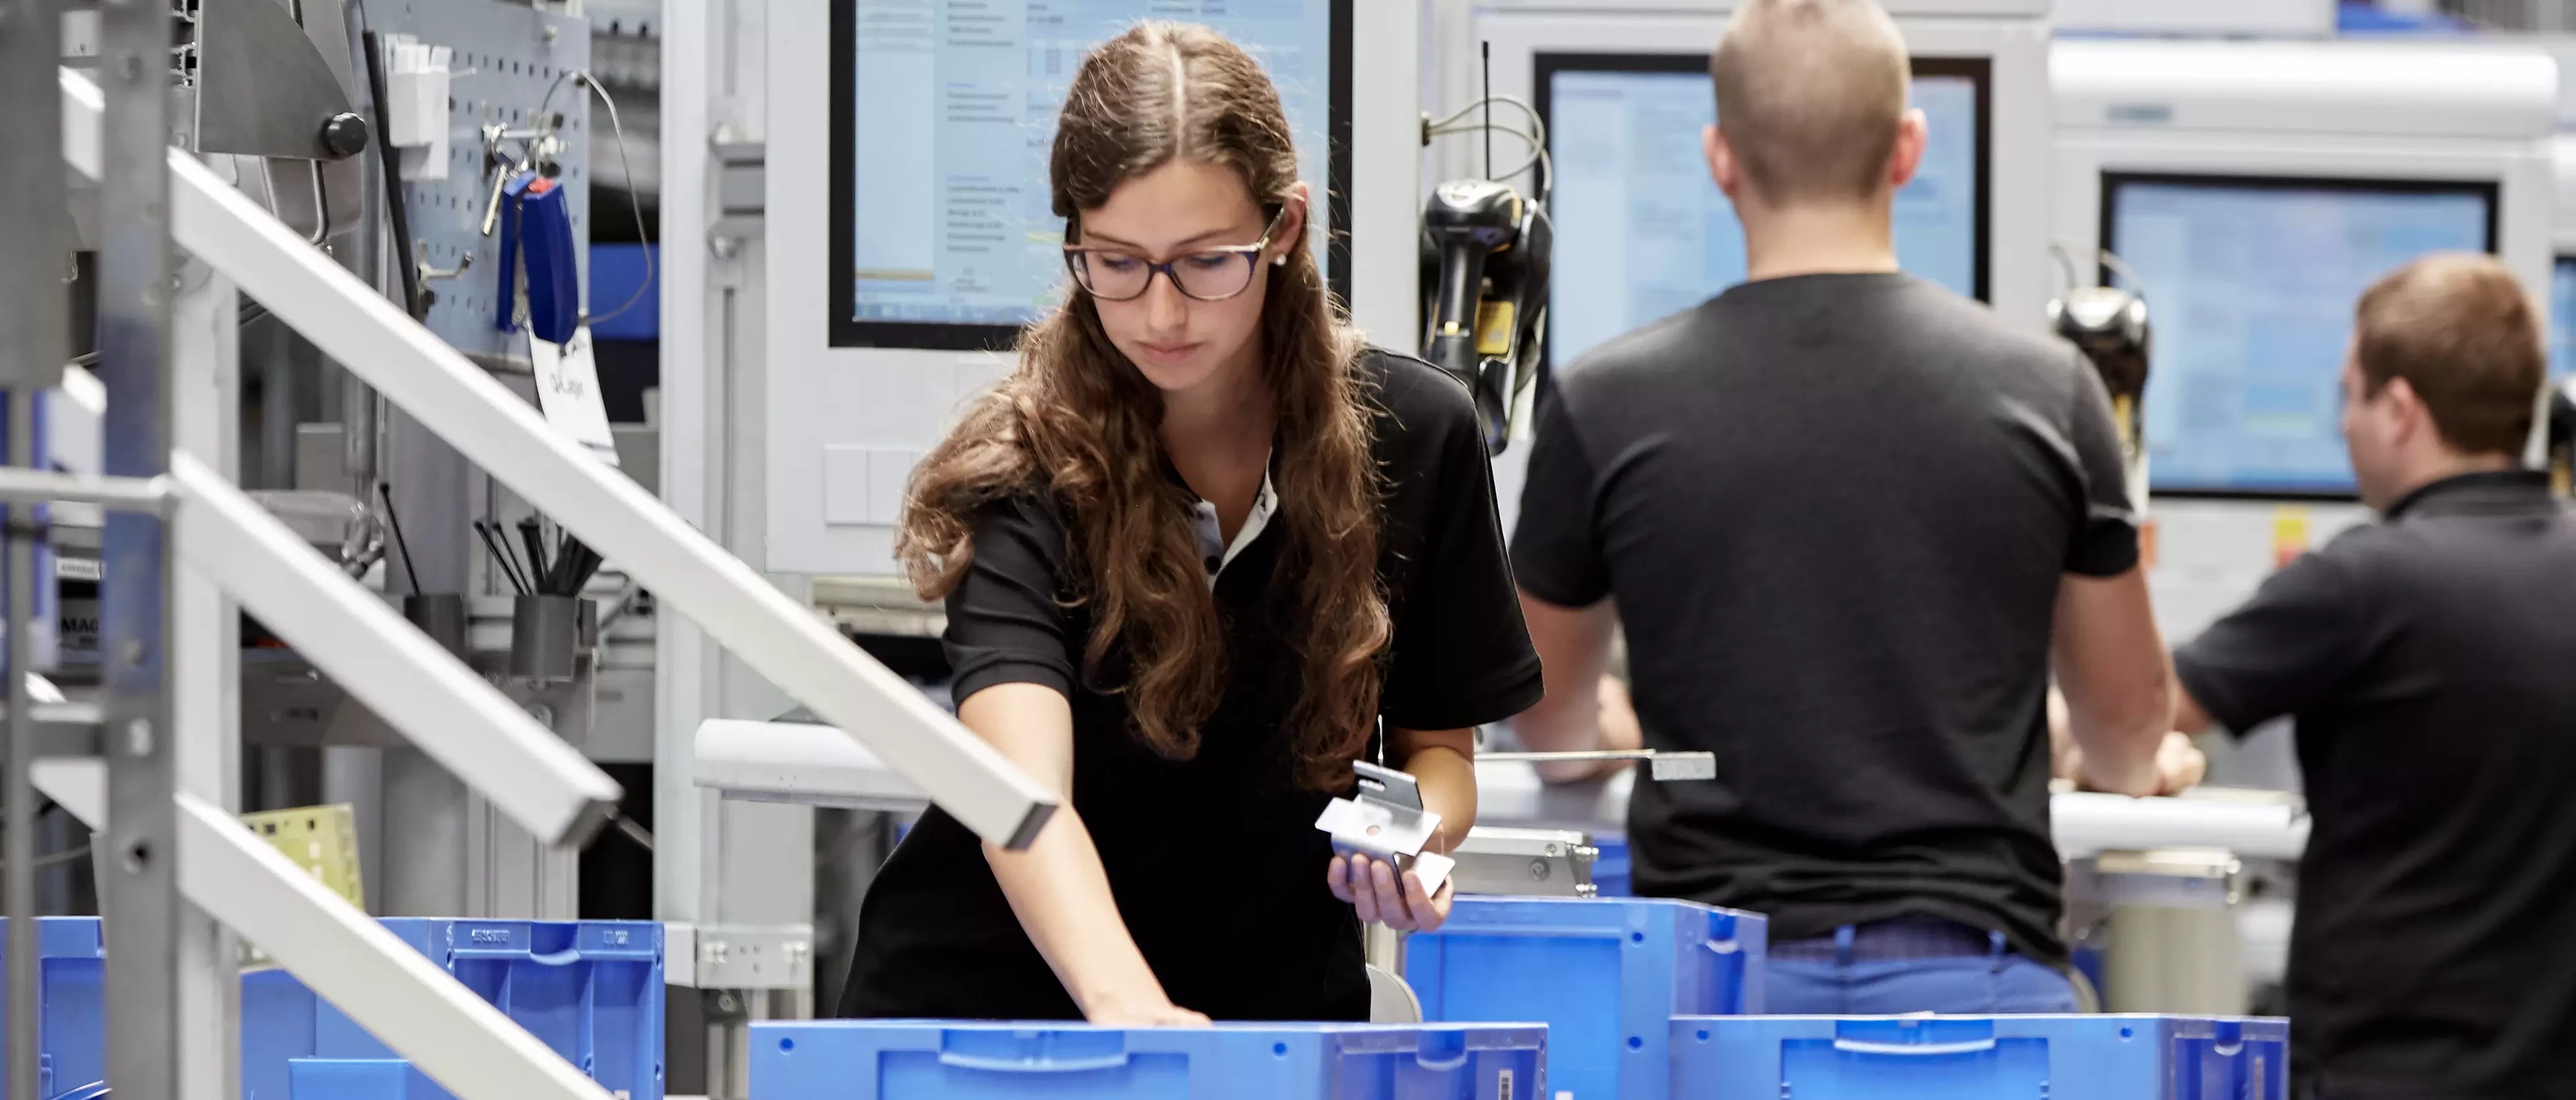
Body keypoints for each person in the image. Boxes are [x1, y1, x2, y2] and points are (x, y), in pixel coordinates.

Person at [834, 22, 1543, 1026]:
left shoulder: (1414, 435)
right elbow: (1021, 801)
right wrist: (1134, 1012)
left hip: (1272, 1017)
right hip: (992, 1021)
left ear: (1284, 229)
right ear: (1072, 240)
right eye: (1116, 262)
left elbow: (1440, 750)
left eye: (1207, 261)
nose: (1161, 313)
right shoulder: (1027, 467)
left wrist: (1408, 836)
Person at [1504, 0, 2200, 1017]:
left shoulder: (1607, 398)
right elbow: (2131, 735)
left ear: (1719, 158)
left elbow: (1552, 729)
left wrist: (1610, 719)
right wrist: (2064, 736)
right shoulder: (2049, 392)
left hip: (1717, 1001)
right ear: (1906, 148)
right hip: (1981, 994)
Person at [2163, 254, 2576, 1100]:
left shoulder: (2364, 581)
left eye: (2351, 395)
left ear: (2401, 409)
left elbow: (2150, 709)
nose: (2342, 424)